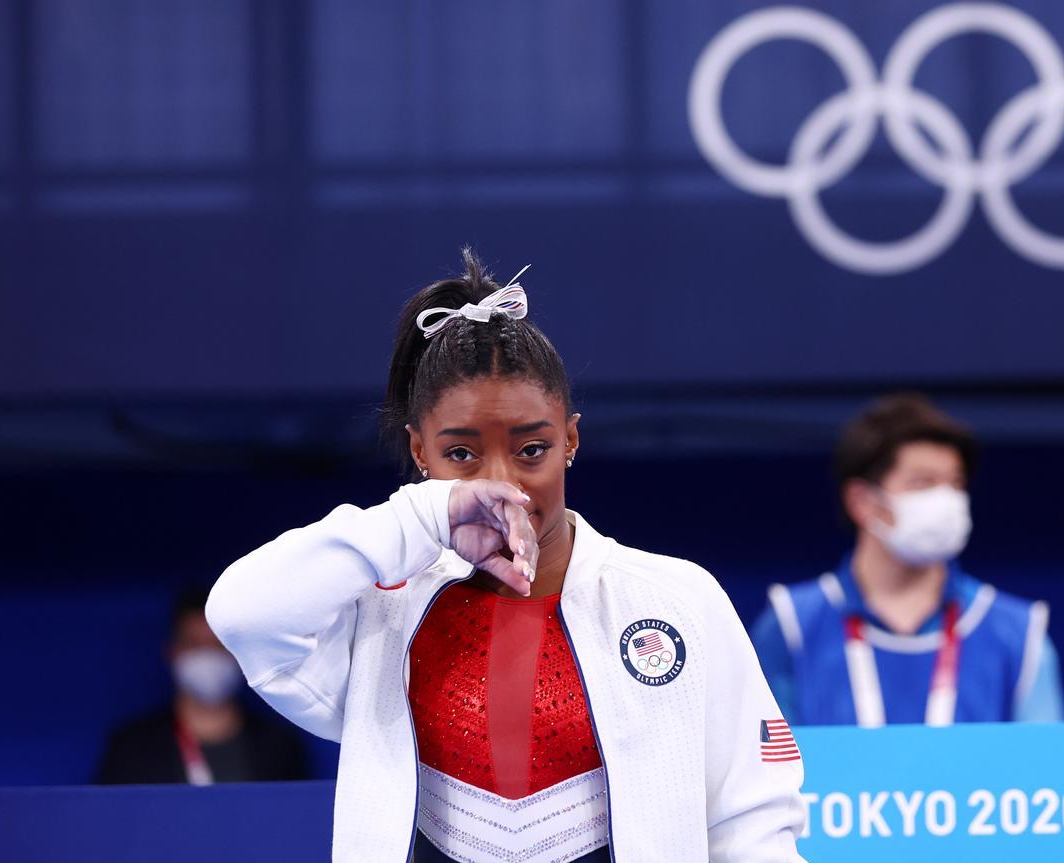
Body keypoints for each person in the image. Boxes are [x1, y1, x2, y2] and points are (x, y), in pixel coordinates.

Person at [204, 250, 808, 862]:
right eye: (461, 455)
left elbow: (751, 822)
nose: (503, 486)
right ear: (419, 451)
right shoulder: (383, 607)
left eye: (531, 450)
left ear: (570, 438)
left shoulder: (677, 599)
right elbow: (240, 614)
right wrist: (419, 518)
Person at [750, 393, 1064, 727]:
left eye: (956, 483)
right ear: (862, 502)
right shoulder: (792, 626)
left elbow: (1047, 767)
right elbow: (763, 766)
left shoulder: (1016, 631)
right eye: (923, 483)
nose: (946, 500)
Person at [96, 587, 309, 784]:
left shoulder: (279, 746)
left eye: (218, 644)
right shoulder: (132, 747)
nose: (207, 654)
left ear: (239, 653)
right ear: (172, 652)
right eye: (193, 643)